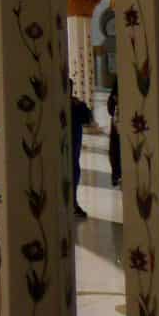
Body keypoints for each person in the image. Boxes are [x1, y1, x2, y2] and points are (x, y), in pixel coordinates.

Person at [70, 80, 92, 220]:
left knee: (73, 172)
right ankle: (72, 203)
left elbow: (87, 118)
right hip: (70, 150)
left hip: (73, 149)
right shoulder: (75, 105)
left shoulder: (76, 105)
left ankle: (73, 202)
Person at [108, 84, 121, 187]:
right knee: (115, 150)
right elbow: (110, 108)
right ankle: (116, 175)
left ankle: (117, 175)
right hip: (117, 124)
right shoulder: (116, 86)